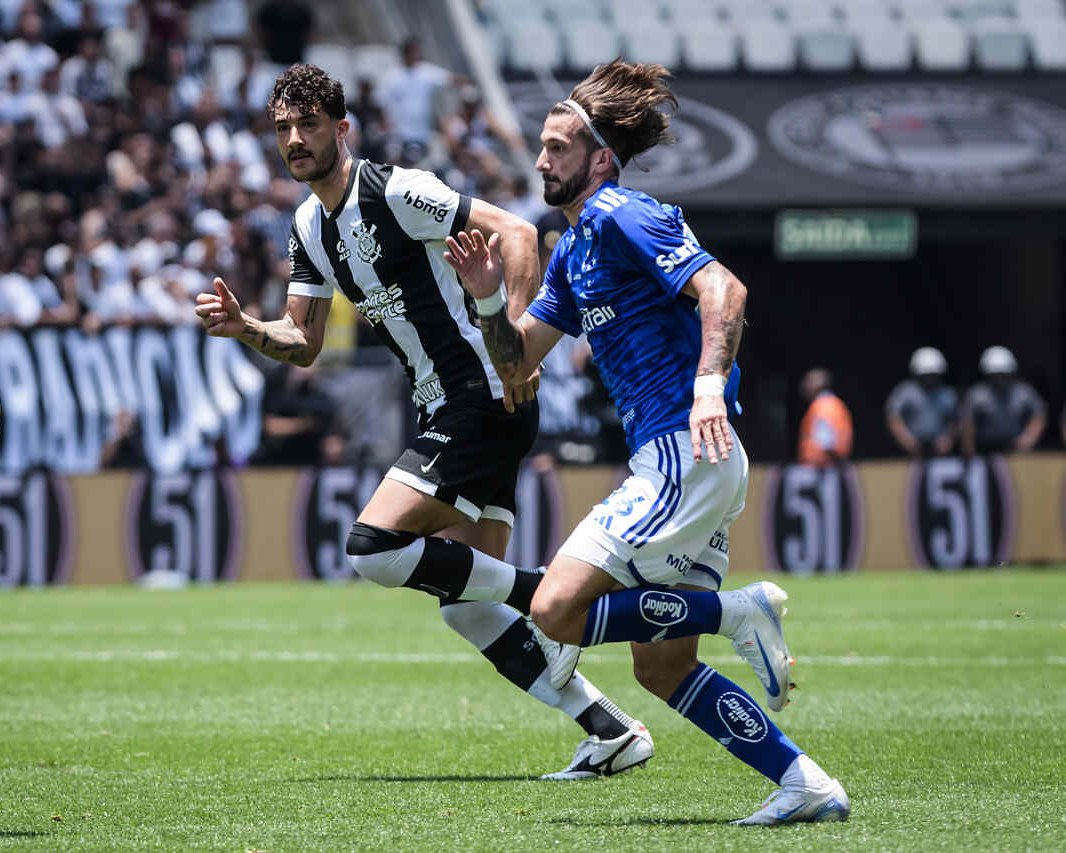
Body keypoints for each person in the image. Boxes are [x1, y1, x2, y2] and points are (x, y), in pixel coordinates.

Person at [196, 63, 653, 779]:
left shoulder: (393, 188)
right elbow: (304, 342)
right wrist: (246, 326)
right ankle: (610, 729)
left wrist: (520, 353)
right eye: (283, 128)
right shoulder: (310, 226)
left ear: (340, 128)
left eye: (308, 124)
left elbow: (519, 233)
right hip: (454, 406)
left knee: (373, 545)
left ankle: (547, 594)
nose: (294, 139)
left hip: (478, 396)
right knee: (466, 603)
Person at [441, 60, 849, 824]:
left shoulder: (623, 213)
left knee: (557, 611)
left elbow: (724, 289)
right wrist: (491, 296)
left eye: (559, 147)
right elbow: (516, 365)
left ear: (599, 157)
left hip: (681, 451)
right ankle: (805, 781)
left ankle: (733, 611)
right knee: (663, 668)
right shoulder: (573, 249)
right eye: (541, 145)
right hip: (690, 463)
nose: (540, 160)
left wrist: (705, 382)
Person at [960, 346, 1046, 455]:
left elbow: (1039, 415)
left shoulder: (1024, 392)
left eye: (1003, 374)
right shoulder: (976, 394)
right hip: (984, 448)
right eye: (995, 374)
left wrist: (1028, 438)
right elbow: (967, 421)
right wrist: (969, 448)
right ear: (987, 373)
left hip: (1015, 447)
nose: (999, 379)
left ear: (1011, 372)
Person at [885, 347, 959, 456]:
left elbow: (957, 420)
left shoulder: (947, 394)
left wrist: (948, 439)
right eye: (925, 375)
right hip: (910, 450)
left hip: (940, 449)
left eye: (933, 375)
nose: (929, 379)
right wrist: (906, 440)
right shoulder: (905, 392)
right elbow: (893, 417)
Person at [796, 367, 854, 467]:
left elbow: (826, 441)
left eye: (808, 381)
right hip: (829, 465)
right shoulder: (832, 403)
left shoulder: (823, 405)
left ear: (818, 385)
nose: (804, 385)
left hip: (822, 467)